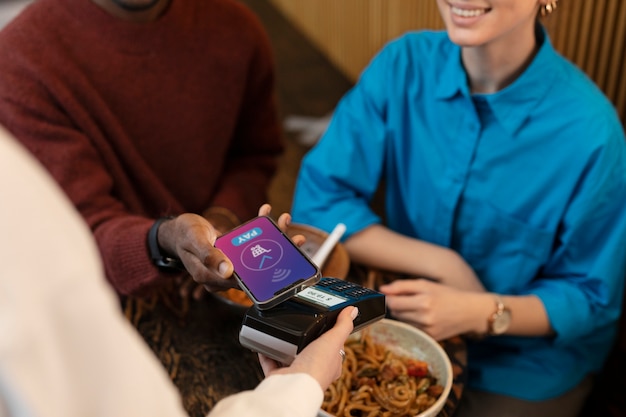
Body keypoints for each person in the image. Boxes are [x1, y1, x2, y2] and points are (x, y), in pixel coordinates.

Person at [291, 1, 626, 416]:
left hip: (523, 363)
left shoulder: (592, 134)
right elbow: (321, 200)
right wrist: (443, 263)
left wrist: (483, 311)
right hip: (400, 321)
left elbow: (591, 297)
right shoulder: (404, 64)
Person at [0, 125, 358, 417]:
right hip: (140, 301)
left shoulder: (241, 39)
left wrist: (223, 218)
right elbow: (86, 223)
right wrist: (302, 383)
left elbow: (254, 153)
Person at [0, 0, 284, 297]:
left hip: (224, 275)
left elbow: (254, 156)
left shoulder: (236, 28)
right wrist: (166, 242)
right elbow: (77, 233)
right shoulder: (21, 61)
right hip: (92, 298)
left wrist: (220, 224)